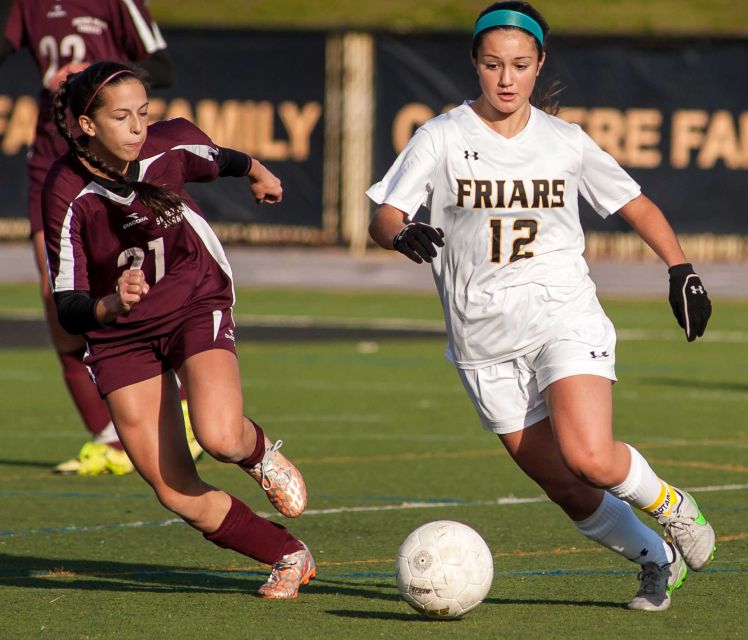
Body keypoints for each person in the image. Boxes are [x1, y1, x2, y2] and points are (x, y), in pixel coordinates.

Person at [368, 1, 715, 612]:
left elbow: (636, 205)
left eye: (521, 65)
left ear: (540, 65)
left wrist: (680, 269)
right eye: (494, 64)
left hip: (562, 313)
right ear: (475, 64)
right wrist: (399, 234)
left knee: (588, 455)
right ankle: (654, 559)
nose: (507, 78)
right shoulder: (442, 137)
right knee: (564, 484)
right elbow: (384, 216)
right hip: (481, 341)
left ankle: (673, 506)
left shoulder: (565, 142)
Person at [42, 60, 315, 598]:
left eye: (143, 113)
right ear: (88, 126)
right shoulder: (65, 190)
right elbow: (67, 305)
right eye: (122, 117)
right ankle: (287, 554)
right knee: (173, 489)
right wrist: (109, 306)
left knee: (217, 435)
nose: (138, 127)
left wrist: (259, 172)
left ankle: (256, 451)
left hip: (194, 298)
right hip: (120, 333)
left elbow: (222, 158)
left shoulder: (166, 147)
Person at [0, 0, 201, 475]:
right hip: (51, 162)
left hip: (115, 164)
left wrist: (93, 75)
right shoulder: (26, 5)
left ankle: (186, 409)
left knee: (143, 280)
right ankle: (106, 438)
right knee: (58, 296)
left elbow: (161, 67)